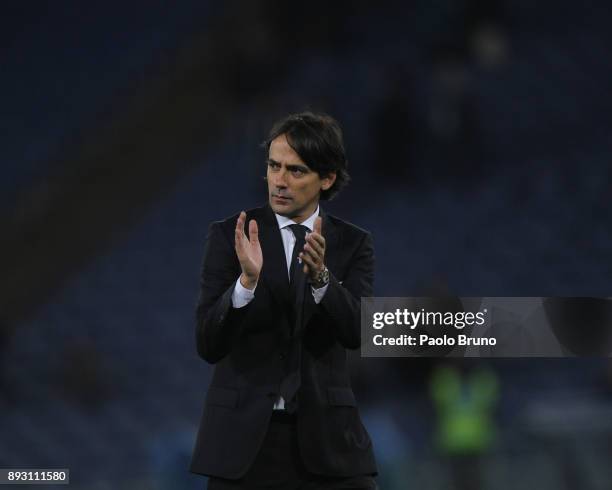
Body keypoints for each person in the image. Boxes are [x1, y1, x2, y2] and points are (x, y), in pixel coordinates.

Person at [190, 112, 378, 489]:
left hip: (328, 444)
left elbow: (358, 331)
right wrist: (245, 283)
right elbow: (208, 344)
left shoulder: (352, 243)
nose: (279, 180)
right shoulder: (232, 236)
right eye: (274, 166)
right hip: (244, 446)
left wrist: (323, 279)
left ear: (326, 179)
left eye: (296, 171)